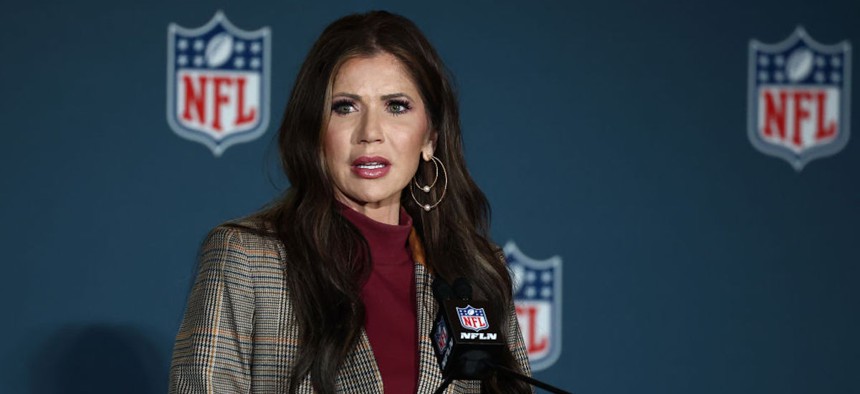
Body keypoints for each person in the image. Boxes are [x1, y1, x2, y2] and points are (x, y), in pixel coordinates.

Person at [169, 10, 532, 394]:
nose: (370, 133)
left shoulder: (476, 272)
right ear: (314, 131)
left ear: (430, 138)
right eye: (345, 107)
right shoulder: (247, 258)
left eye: (396, 106)